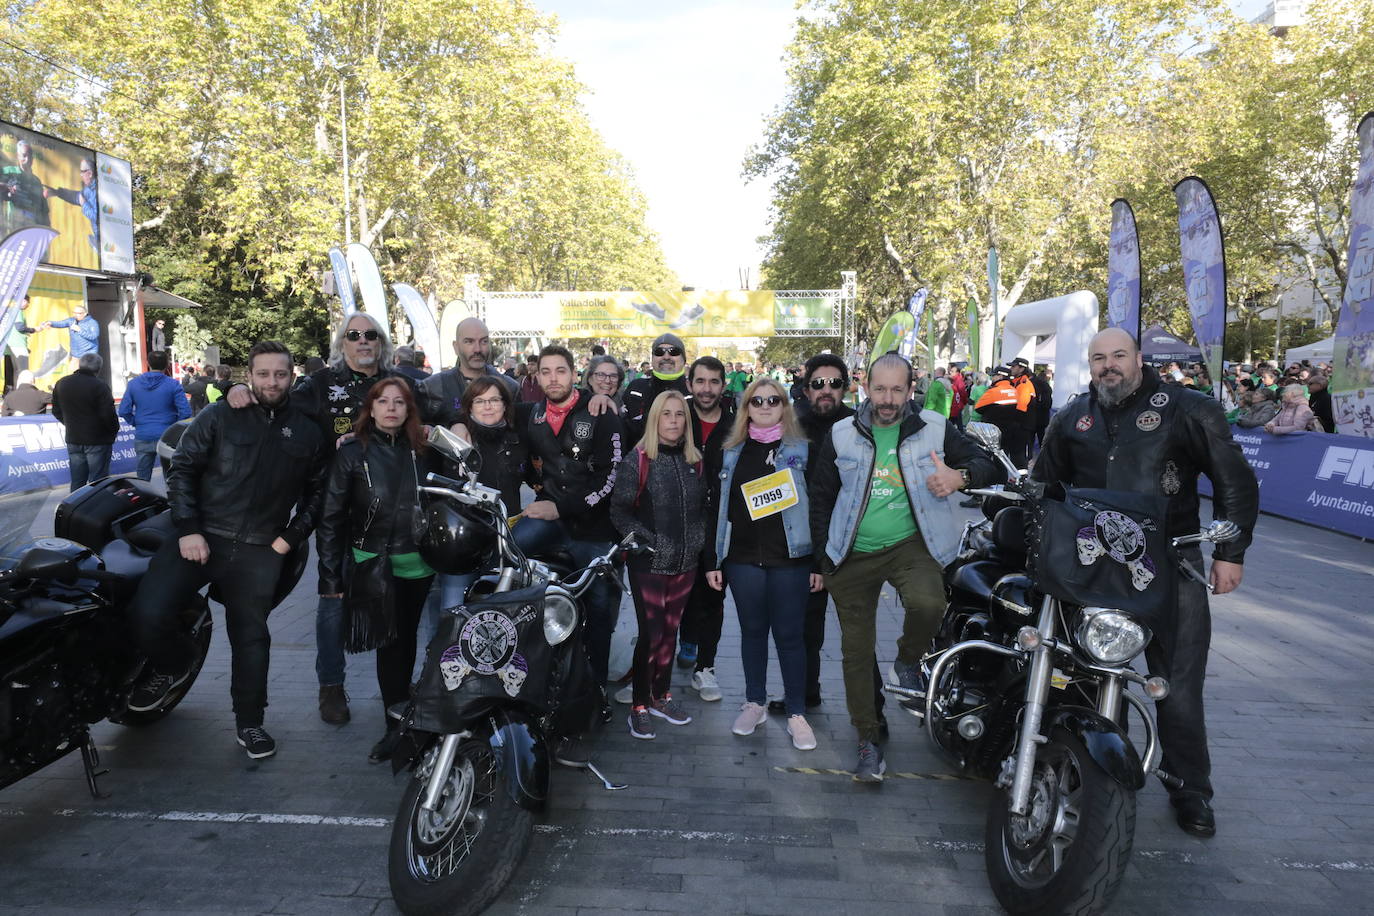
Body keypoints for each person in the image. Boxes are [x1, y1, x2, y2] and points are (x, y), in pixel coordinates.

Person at [1033, 327, 1258, 837]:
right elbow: (1044, 485)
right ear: (1089, 365)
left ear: (1138, 357)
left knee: (1176, 688)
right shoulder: (1072, 416)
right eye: (1098, 358)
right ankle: (1105, 774)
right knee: (1087, 678)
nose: (1108, 366)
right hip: (1090, 568)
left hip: (1172, 563)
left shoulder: (1187, 408)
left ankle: (1191, 789)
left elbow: (1234, 481)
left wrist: (1230, 553)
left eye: (1118, 355)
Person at [127, 340, 328, 760]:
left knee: (251, 638)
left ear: (291, 376)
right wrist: (188, 528)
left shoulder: (308, 430)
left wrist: (288, 539)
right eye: (263, 374)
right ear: (248, 376)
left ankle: (250, 723)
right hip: (201, 535)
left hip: (260, 548)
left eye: (280, 374)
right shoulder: (220, 415)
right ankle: (173, 665)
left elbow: (318, 495)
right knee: (147, 612)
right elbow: (182, 469)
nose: (271, 382)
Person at [809, 353, 1001, 783]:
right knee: (856, 654)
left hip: (911, 545)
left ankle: (908, 660)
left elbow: (984, 462)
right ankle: (868, 739)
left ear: (910, 388)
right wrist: (825, 556)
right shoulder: (842, 433)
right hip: (851, 553)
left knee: (929, 604)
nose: (888, 399)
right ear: (865, 386)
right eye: (880, 389)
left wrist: (960, 477)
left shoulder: (933, 426)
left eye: (897, 389)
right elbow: (821, 496)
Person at [229, 311, 419, 726]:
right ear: (342, 342)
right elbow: (272, 402)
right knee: (333, 598)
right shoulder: (319, 384)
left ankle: (402, 691)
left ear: (382, 341)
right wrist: (237, 390)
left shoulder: (403, 382)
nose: (363, 341)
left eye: (371, 334)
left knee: (400, 610)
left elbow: (444, 408)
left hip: (390, 518)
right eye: (354, 335)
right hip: (335, 513)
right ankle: (330, 686)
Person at [317, 379, 437, 763]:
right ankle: (395, 728)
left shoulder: (425, 449)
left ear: (409, 408)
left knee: (410, 644)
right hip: (375, 564)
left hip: (420, 564)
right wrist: (330, 576)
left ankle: (408, 717)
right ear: (371, 407)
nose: (391, 408)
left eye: (399, 402)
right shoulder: (352, 452)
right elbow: (331, 518)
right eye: (383, 401)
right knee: (391, 646)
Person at [516, 345, 624, 764]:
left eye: (561, 371)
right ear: (537, 376)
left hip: (593, 526)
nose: (554, 378)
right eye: (546, 372)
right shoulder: (531, 415)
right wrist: (541, 493)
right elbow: (522, 460)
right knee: (507, 563)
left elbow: (610, 478)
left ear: (574, 373)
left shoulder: (600, 412)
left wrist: (560, 506)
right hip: (550, 516)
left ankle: (595, 689)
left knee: (598, 606)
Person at [704, 376, 819, 752]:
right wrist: (714, 559)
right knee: (752, 632)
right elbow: (715, 508)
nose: (766, 406)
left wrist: (820, 562)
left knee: (789, 636)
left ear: (785, 406)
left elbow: (819, 507)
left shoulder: (804, 449)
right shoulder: (728, 450)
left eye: (774, 400)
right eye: (757, 401)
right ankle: (755, 702)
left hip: (791, 559)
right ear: (746, 407)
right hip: (742, 559)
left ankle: (797, 713)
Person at [609, 390, 706, 740]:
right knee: (651, 634)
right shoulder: (638, 459)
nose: (674, 421)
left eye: (679, 414)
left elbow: (701, 509)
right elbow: (619, 511)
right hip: (649, 563)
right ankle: (639, 704)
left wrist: (698, 542)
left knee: (670, 632)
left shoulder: (694, 459)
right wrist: (646, 541)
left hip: (686, 562)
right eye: (667, 414)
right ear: (655, 418)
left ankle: (661, 696)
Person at [786, 353, 861, 717]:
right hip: (804, 546)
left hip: (852, 546)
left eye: (834, 383)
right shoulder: (790, 424)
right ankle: (803, 696)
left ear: (846, 388)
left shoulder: (859, 425)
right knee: (804, 631)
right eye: (818, 383)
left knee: (859, 636)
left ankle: (870, 712)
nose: (826, 390)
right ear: (806, 388)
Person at [434, 376, 534, 620]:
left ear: (505, 404)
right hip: (463, 541)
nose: (487, 406)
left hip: (505, 540)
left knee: (502, 616)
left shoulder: (518, 438)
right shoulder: (456, 440)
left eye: (494, 400)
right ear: (470, 406)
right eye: (480, 401)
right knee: (453, 615)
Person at [675, 356, 735, 703]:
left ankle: (705, 667)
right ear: (689, 384)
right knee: (675, 597)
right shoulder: (675, 417)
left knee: (713, 596)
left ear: (723, 386)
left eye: (714, 382)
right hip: (677, 525)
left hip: (719, 528)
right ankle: (677, 649)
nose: (707, 389)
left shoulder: (735, 425)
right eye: (700, 381)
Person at [421, 317, 518, 426]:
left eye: (484, 341)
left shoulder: (511, 387)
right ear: (456, 347)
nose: (477, 349)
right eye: (469, 342)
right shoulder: (433, 388)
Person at [118, 350, 191, 480]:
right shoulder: (173, 384)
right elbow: (185, 412)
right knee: (171, 477)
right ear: (167, 365)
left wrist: (136, 422)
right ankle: (170, 500)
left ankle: (143, 500)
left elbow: (123, 410)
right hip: (167, 436)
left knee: (142, 479)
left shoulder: (133, 384)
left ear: (148, 363)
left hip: (143, 434)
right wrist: (174, 427)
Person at [50, 353, 118, 490]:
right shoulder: (99, 385)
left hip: (74, 438)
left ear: (80, 365)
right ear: (98, 368)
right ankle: (97, 510)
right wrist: (113, 431)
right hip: (97, 440)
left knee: (77, 481)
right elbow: (108, 415)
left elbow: (56, 410)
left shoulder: (62, 383)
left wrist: (70, 423)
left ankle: (74, 508)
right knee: (98, 482)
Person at [620, 332, 690, 445]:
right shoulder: (636, 387)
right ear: (652, 358)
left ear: (684, 359)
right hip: (637, 459)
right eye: (659, 352)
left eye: (674, 352)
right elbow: (619, 424)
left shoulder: (694, 390)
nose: (666, 357)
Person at [973, 363, 1035, 469]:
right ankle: (1019, 480)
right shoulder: (1015, 390)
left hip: (996, 431)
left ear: (1000, 377)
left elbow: (978, 408)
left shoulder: (993, 392)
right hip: (1015, 429)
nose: (992, 378)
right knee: (1016, 457)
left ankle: (1000, 480)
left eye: (994, 375)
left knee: (999, 457)